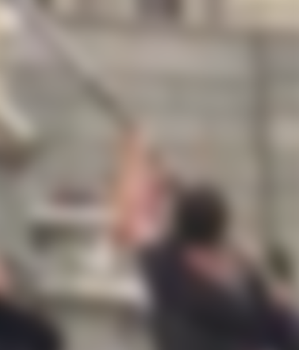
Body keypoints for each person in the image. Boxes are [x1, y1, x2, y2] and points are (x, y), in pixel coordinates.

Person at [111, 128, 299, 350]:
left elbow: (130, 220)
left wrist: (132, 155)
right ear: (221, 228)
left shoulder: (167, 268)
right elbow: (286, 325)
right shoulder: (247, 280)